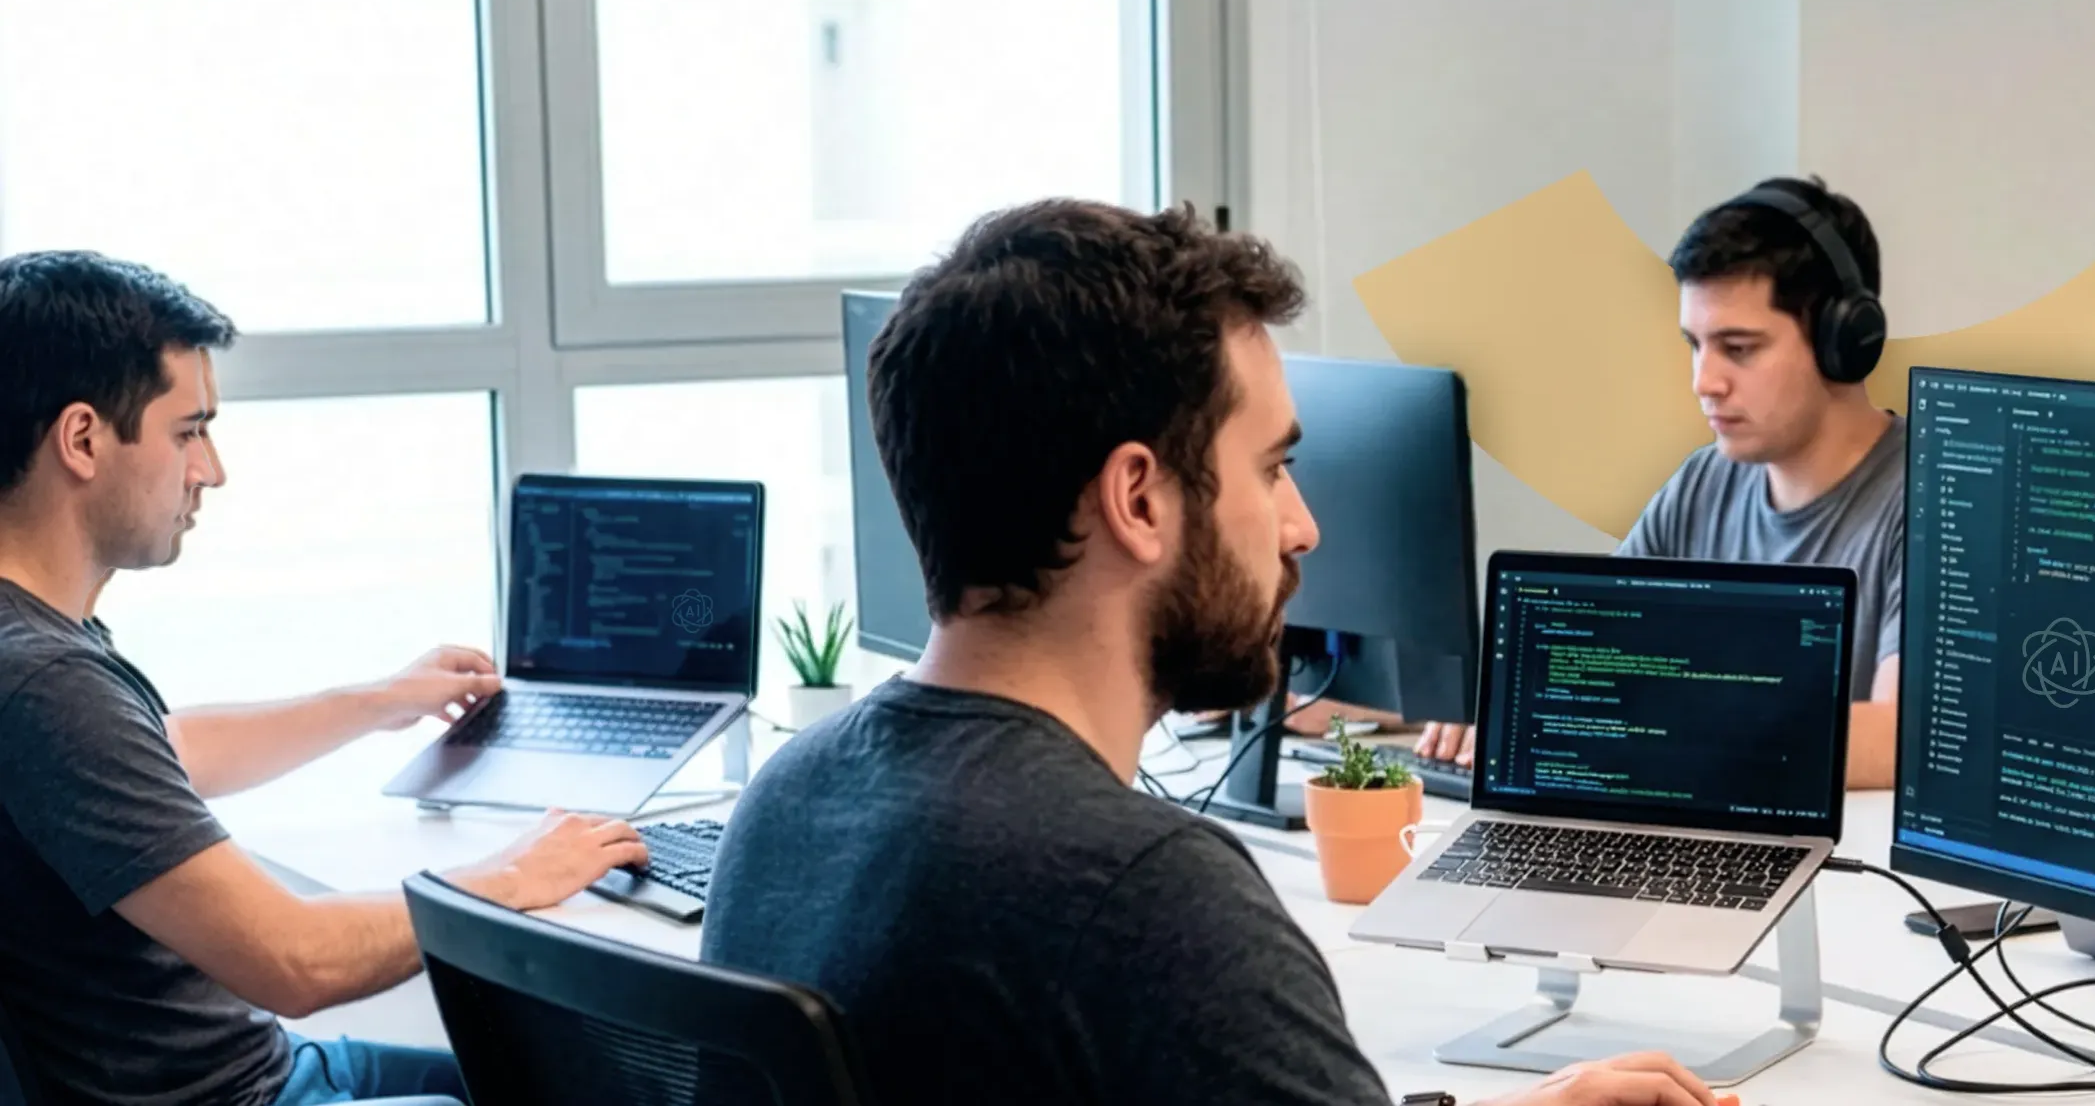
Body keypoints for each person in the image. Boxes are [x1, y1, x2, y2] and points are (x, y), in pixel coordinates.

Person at [699, 199, 1716, 1105]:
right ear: (1138, 500)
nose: (1303, 526)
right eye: (1271, 469)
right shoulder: (1142, 895)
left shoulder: (788, 803)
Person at [0, 250, 652, 1105]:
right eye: (188, 432)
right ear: (83, 439)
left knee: (582, 1086)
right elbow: (295, 960)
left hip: (266, 1067)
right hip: (240, 1098)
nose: (211, 470)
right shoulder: (47, 684)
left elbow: (163, 749)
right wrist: (514, 876)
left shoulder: (36, 640)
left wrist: (379, 702)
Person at [1420, 175, 1906, 789]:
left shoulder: (1934, 506)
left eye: (1739, 348)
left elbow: (1898, 740)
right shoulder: (1704, 483)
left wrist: (1658, 718)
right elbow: (1592, 664)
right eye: (1695, 345)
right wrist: (1483, 703)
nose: (1705, 381)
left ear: (1845, 343)